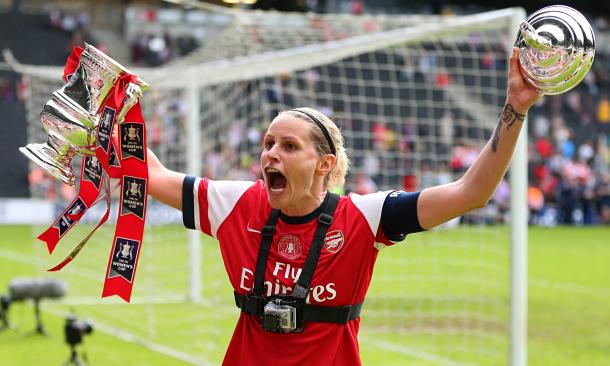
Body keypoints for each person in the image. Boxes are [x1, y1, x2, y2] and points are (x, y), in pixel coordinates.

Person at [146, 47, 541, 365]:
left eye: (288, 146)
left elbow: (471, 192)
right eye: (268, 143)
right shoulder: (236, 204)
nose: (270, 154)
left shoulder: (364, 217)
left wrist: (516, 109)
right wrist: (110, 117)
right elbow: (154, 174)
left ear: (325, 163)